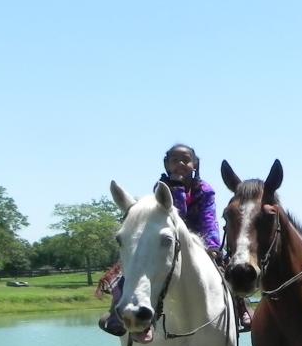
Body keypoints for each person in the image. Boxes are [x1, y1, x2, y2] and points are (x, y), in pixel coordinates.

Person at [99, 143, 250, 335]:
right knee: (126, 274)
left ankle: (241, 308)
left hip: (200, 240)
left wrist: (212, 246)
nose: (180, 163)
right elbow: (172, 214)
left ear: (195, 164)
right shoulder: (162, 187)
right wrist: (177, 187)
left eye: (186, 160)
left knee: (227, 270)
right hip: (167, 239)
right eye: (174, 160)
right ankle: (117, 313)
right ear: (166, 164)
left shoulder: (205, 189)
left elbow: (208, 218)